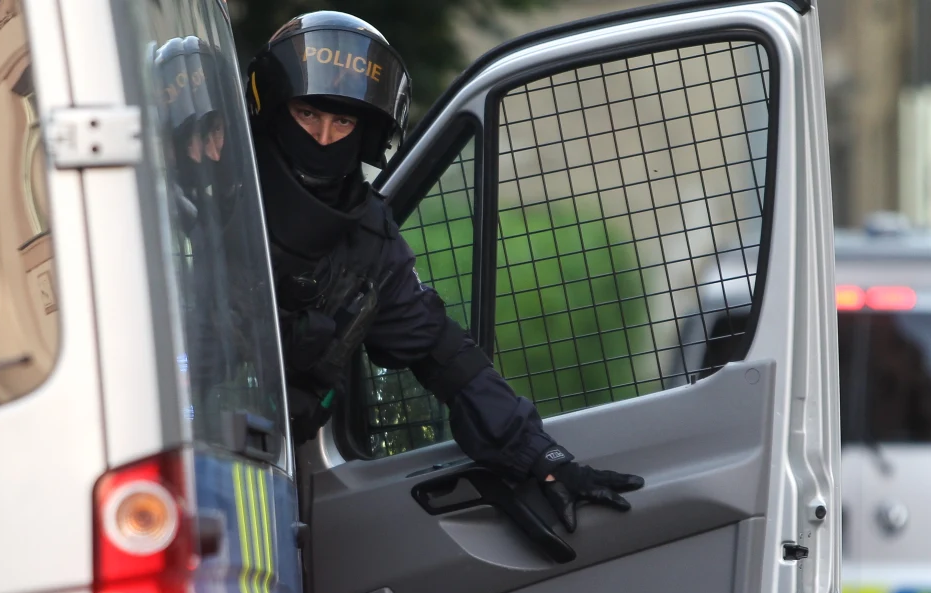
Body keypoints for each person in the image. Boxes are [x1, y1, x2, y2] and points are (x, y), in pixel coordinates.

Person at [244, 10, 642, 531]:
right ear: (274, 108)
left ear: (365, 133)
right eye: (307, 115)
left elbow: (445, 354)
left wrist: (543, 459)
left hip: (271, 477)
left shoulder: (369, 242)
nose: (322, 137)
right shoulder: (216, 190)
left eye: (342, 121)